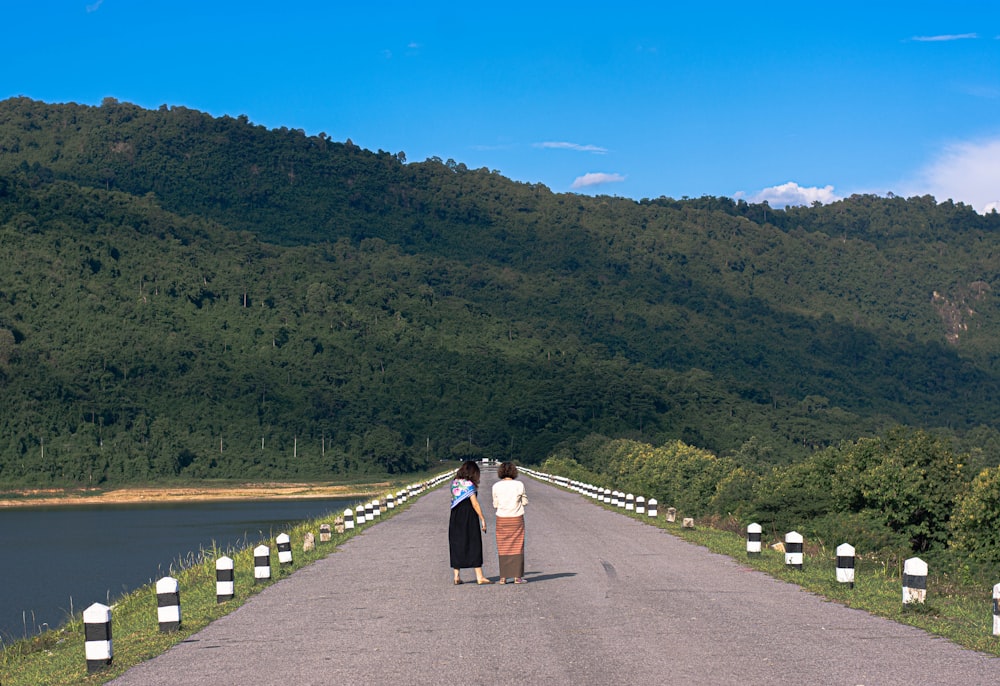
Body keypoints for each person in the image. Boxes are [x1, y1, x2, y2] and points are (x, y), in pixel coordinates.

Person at [449, 460, 492, 585]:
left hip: (455, 515)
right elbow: (474, 503)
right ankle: (479, 576)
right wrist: (482, 518)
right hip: (469, 516)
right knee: (474, 543)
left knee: (456, 543)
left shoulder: (454, 483)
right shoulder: (469, 485)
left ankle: (456, 576)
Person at [492, 461, 528, 584]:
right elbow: (524, 502)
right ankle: (517, 577)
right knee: (517, 546)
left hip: (501, 518)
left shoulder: (496, 486)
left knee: (503, 547)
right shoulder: (519, 484)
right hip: (516, 518)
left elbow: (495, 504)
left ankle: (503, 577)